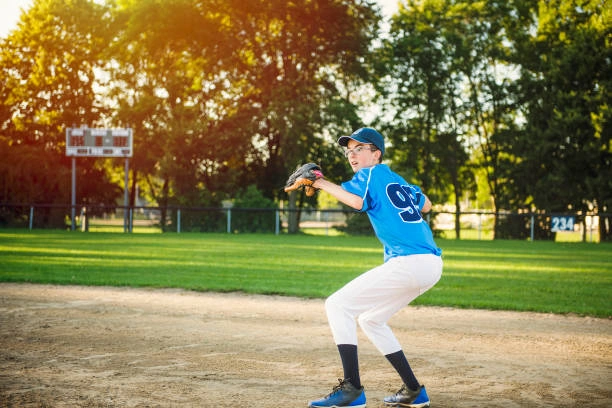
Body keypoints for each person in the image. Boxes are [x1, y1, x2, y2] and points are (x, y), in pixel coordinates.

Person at [307, 127, 443, 408]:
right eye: (349, 151)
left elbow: (356, 201)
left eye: (359, 149)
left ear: (376, 153)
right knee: (371, 320)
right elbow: (427, 204)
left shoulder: (369, 174)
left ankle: (352, 389)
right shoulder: (397, 180)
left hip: (410, 261)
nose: (352, 155)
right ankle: (414, 390)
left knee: (337, 305)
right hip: (430, 264)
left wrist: (319, 182)